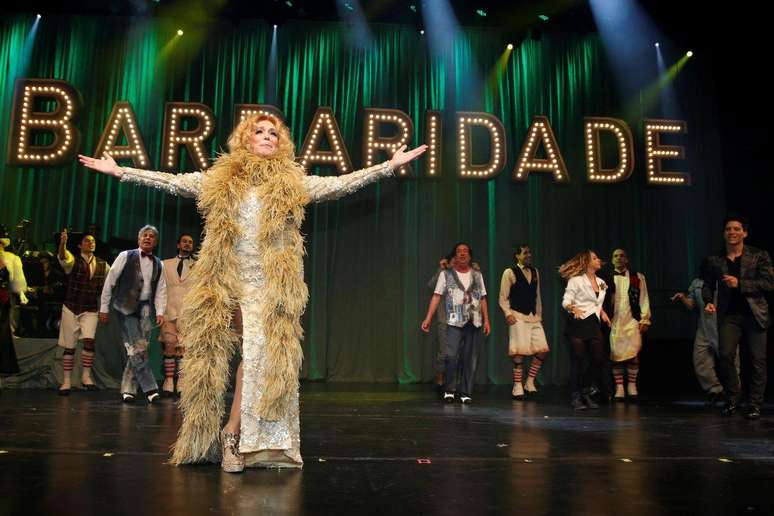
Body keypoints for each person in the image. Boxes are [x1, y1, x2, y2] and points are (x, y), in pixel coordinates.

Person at [80, 113, 426, 471]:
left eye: (273, 133)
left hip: (266, 286)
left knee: (259, 356)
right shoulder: (220, 179)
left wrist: (388, 166)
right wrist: (122, 171)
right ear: (245, 139)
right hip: (224, 281)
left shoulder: (292, 183)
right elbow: (172, 181)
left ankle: (234, 435)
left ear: (281, 143)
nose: (266, 137)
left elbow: (339, 184)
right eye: (259, 131)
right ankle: (205, 436)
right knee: (207, 363)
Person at [702, 215, 773, 419]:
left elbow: (769, 283)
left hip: (755, 314)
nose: (732, 232)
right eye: (728, 229)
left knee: (757, 360)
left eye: (736, 229)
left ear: (744, 233)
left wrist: (740, 284)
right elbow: (707, 283)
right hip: (729, 315)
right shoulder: (715, 259)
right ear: (724, 234)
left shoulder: (759, 255)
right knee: (725, 355)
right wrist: (708, 300)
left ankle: (755, 404)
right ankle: (733, 398)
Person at [99, 225, 167, 404]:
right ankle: (151, 388)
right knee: (137, 347)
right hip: (125, 308)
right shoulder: (125, 256)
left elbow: (161, 290)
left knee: (138, 349)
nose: (148, 238)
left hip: (145, 309)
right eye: (144, 235)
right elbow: (110, 281)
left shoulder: (159, 263)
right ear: (138, 239)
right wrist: (104, 307)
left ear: (156, 242)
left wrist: (160, 311)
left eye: (152, 236)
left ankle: (128, 389)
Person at [421, 242, 491, 405]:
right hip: (453, 322)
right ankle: (449, 389)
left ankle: (466, 392)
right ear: (454, 256)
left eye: (465, 251)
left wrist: (487, 320)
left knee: (470, 358)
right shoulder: (446, 275)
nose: (462, 254)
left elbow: (483, 298)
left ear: (470, 256)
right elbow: (437, 296)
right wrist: (428, 318)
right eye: (459, 251)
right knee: (451, 356)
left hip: (474, 322)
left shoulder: (477, 275)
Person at [56, 229, 110, 394]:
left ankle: (86, 377)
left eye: (92, 241)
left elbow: (112, 281)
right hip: (71, 307)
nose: (90, 243)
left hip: (90, 308)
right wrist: (63, 243)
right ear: (80, 245)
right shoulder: (74, 260)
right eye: (87, 241)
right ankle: (66, 381)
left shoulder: (102, 264)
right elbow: (64, 256)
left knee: (89, 341)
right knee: (70, 345)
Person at [559, 250, 610, 410]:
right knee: (578, 360)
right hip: (578, 322)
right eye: (594, 258)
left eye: (597, 257)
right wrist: (572, 308)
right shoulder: (576, 281)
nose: (598, 260)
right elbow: (566, 300)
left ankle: (586, 389)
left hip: (593, 323)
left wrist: (602, 313)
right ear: (587, 263)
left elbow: (597, 302)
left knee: (598, 359)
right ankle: (576, 396)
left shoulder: (601, 282)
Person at [498, 245, 549, 400]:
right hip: (518, 315)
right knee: (519, 352)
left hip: (533, 316)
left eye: (530, 252)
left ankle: (530, 382)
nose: (529, 255)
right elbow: (503, 296)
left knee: (542, 349)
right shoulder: (510, 272)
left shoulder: (535, 272)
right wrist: (507, 313)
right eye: (525, 253)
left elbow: (537, 295)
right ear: (517, 256)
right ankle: (517, 385)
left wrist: (539, 314)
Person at [606, 249, 651, 401]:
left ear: (627, 259)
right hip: (615, 321)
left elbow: (644, 298)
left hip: (632, 320)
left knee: (633, 354)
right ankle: (619, 388)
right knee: (617, 355)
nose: (619, 258)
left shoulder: (637, 277)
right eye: (615, 256)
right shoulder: (606, 278)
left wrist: (645, 319)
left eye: (622, 255)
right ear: (612, 260)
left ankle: (632, 386)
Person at [160, 233, 196, 397]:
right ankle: (168, 380)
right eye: (184, 241)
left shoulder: (198, 266)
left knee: (184, 348)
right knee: (169, 345)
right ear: (178, 245)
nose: (187, 244)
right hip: (169, 310)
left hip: (188, 312)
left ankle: (181, 380)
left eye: (190, 242)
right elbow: (159, 289)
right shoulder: (165, 264)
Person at [1, 225, 25, 379]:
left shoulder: (11, 258)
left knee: (2, 335)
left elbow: (18, 283)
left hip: (2, 300)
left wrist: (21, 293)